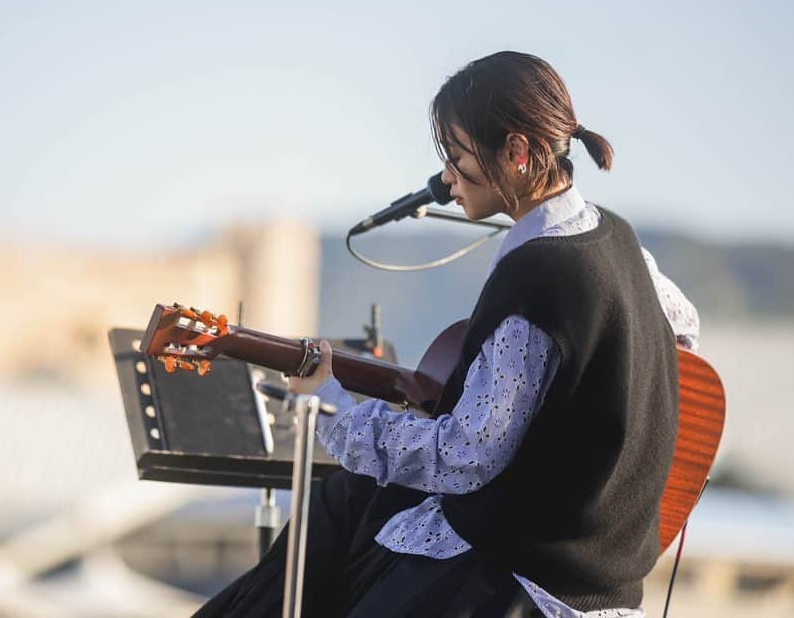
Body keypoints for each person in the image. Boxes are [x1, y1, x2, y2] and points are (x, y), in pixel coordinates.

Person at [196, 51, 699, 617]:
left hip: (522, 577)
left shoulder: (539, 276)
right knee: (347, 502)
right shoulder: (615, 235)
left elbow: (464, 457)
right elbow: (683, 329)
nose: (445, 180)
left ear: (516, 154)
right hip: (605, 571)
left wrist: (333, 406)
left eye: (458, 159)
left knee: (334, 528)